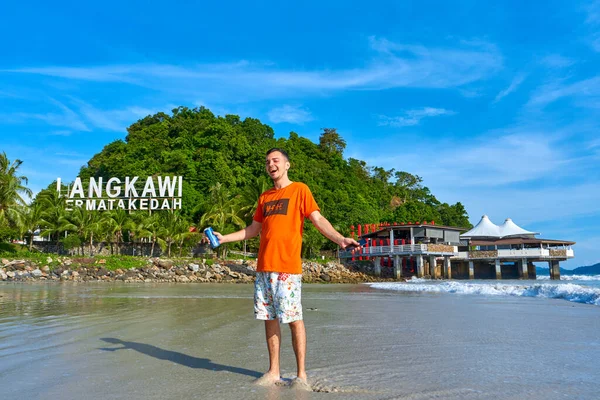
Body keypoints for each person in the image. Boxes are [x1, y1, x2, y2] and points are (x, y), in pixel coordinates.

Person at [212, 148, 359, 390]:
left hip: (287, 269)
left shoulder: (299, 189)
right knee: (269, 318)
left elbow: (318, 219)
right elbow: (252, 230)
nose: (271, 164)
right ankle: (274, 371)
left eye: (276, 160)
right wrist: (223, 238)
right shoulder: (265, 197)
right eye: (268, 161)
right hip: (263, 268)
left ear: (287, 165)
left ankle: (301, 374)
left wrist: (339, 239)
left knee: (294, 319)